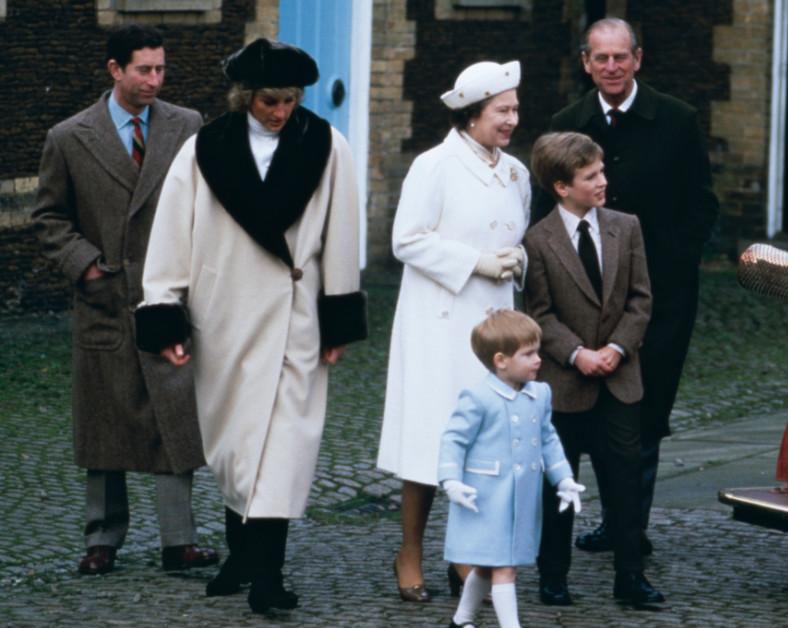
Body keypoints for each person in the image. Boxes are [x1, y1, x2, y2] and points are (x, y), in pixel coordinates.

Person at [134, 38, 366, 614]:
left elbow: (341, 232)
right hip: (225, 315)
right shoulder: (204, 149)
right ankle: (241, 554)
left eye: (289, 100)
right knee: (237, 447)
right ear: (244, 97)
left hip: (297, 317)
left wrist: (339, 315)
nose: (280, 112)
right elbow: (172, 232)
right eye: (268, 100)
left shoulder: (325, 145)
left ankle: (268, 576)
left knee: (282, 448)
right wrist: (165, 311)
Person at [31, 24, 217, 576]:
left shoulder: (187, 127)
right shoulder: (69, 137)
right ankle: (102, 539)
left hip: (168, 296)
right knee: (103, 424)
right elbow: (47, 217)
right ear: (115, 69)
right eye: (144, 70)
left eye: (161, 69)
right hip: (105, 298)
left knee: (173, 416)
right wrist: (85, 263)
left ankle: (178, 540)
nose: (155, 80)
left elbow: (204, 205)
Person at [536, 17, 719, 555]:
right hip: (582, 302)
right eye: (601, 58)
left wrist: (670, 268)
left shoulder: (677, 120)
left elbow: (701, 205)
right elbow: (548, 209)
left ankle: (629, 530)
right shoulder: (568, 122)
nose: (611, 67)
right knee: (587, 410)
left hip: (658, 299)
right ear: (586, 62)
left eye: (621, 57)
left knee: (644, 410)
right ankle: (603, 521)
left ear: (638, 58)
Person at [377, 60, 530, 602]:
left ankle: (466, 554)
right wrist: (477, 262)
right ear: (472, 114)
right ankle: (410, 551)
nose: (512, 119)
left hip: (495, 327)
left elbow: (518, 231)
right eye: (502, 111)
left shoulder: (516, 171)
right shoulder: (434, 166)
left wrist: (516, 259)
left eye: (514, 109)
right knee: (431, 440)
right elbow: (407, 240)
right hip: (439, 323)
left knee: (485, 443)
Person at [524, 131, 662, 606]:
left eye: (602, 171)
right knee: (559, 486)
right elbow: (539, 313)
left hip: (620, 380)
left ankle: (630, 576)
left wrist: (618, 349)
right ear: (562, 186)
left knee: (624, 484)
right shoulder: (537, 241)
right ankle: (553, 575)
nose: (604, 181)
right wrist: (578, 353)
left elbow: (641, 300)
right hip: (564, 383)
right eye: (591, 175)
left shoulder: (626, 227)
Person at [439, 309, 585, 628]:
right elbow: (454, 439)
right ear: (501, 360)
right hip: (486, 497)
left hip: (520, 498)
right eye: (528, 354)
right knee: (504, 567)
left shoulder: (540, 394)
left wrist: (564, 478)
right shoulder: (478, 397)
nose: (538, 360)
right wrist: (451, 479)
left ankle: (460, 620)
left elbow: (547, 438)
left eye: (538, 351)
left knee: (487, 564)